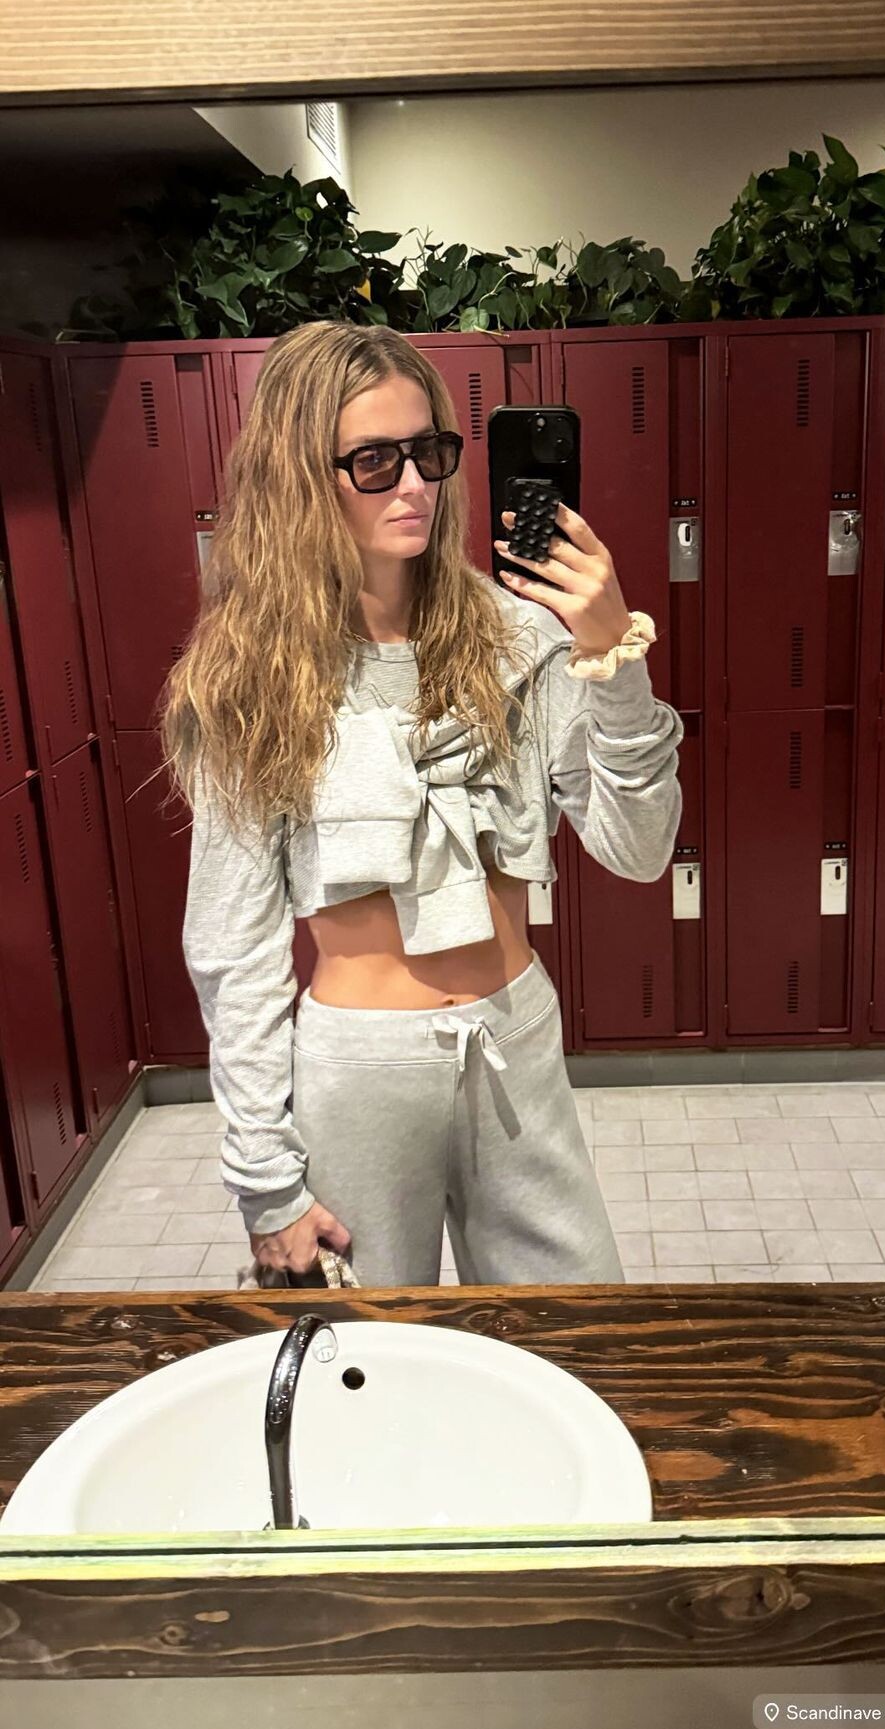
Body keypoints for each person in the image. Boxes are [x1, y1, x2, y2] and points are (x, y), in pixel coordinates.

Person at [162, 318, 684, 1286]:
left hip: (514, 1045)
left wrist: (614, 656)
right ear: (299, 477)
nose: (414, 486)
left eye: (430, 453)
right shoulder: (249, 679)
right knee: (365, 1356)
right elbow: (234, 948)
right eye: (374, 461)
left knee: (577, 1338)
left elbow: (640, 848)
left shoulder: (519, 636)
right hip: (358, 1073)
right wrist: (265, 1181)